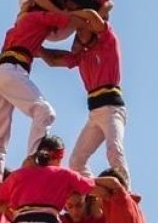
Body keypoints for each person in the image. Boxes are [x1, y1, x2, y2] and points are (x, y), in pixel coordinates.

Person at [0, 0, 105, 187]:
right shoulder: (41, 17)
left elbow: (50, 58)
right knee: (45, 112)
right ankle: (32, 161)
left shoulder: (27, 26)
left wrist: (76, 59)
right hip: (12, 70)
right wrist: (95, 10)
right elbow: (74, 20)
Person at [38, 18, 130, 185]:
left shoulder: (108, 42)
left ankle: (125, 193)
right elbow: (52, 60)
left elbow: (97, 18)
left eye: (82, 28)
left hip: (112, 109)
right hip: (95, 114)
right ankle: (93, 194)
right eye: (77, 30)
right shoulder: (82, 56)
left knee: (114, 150)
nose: (79, 32)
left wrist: (76, 14)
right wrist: (37, 47)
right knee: (76, 161)